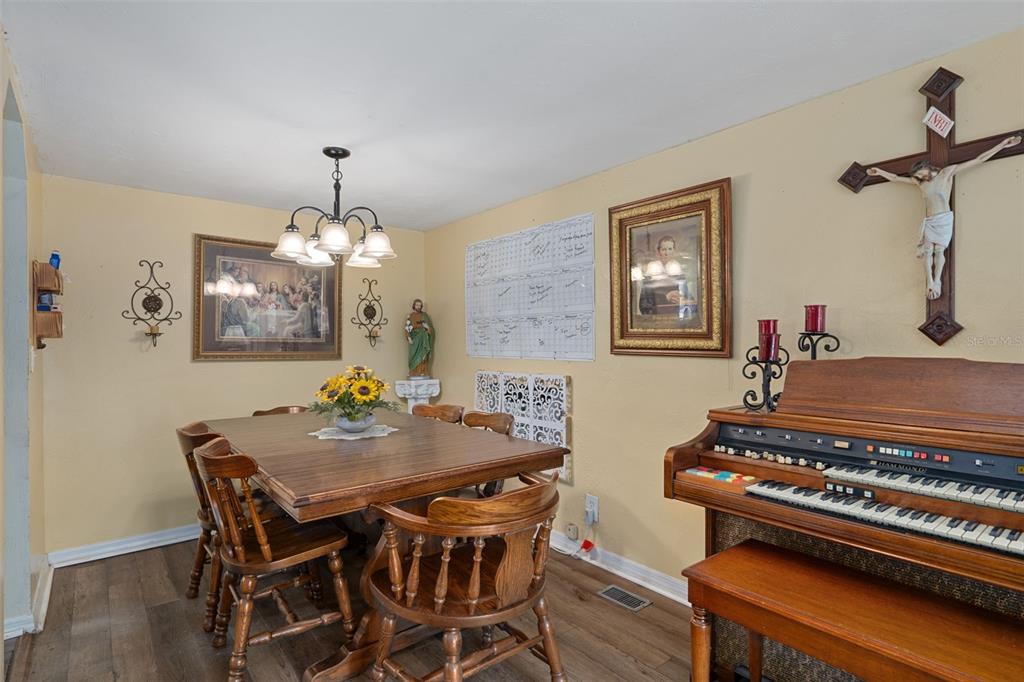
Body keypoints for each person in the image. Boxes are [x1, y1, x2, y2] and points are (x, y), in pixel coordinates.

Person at [867, 134, 1021, 300]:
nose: (920, 176)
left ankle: (937, 281)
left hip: (943, 219)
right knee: (927, 252)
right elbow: (896, 178)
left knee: (939, 251)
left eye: (921, 173)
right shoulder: (920, 183)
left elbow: (978, 159)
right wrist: (879, 172)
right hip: (930, 220)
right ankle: (930, 282)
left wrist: (1003, 144)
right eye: (917, 175)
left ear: (927, 167)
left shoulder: (946, 173)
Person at [404, 298, 434, 378]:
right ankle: (413, 372)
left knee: (423, 355)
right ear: (414, 305)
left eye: (420, 305)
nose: (418, 307)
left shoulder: (425, 316)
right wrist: (408, 337)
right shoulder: (410, 316)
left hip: (423, 338)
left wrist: (427, 327)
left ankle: (423, 371)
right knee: (413, 355)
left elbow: (430, 329)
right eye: (417, 305)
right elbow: (407, 328)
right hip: (414, 339)